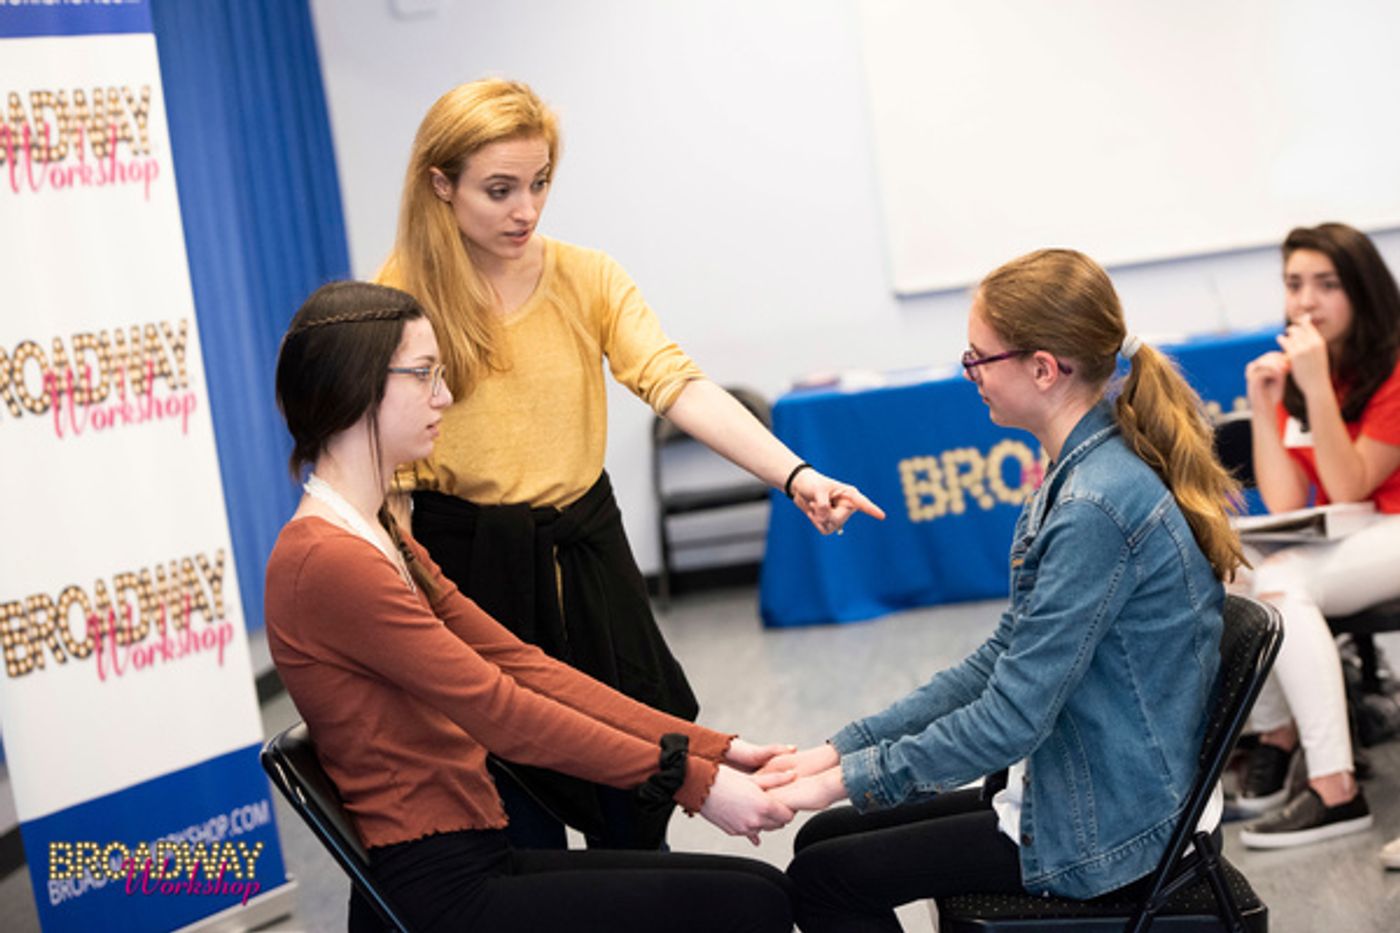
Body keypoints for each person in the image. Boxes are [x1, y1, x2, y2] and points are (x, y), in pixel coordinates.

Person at [376, 77, 883, 851]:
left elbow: (676, 383)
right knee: (511, 800)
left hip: (585, 552)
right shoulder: (399, 300)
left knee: (635, 779)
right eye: (500, 189)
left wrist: (795, 474)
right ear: (440, 185)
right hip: (469, 563)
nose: (527, 210)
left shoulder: (586, 276)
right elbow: (395, 483)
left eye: (540, 183)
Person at [264, 280, 799, 933]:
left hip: (476, 857)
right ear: (358, 385)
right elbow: (500, 708)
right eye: (425, 374)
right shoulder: (327, 559)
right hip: (440, 890)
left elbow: (522, 665)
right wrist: (691, 779)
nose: (446, 396)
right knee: (751, 901)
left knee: (756, 890)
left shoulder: (378, 532)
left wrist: (713, 748)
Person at [759, 248, 1244, 930]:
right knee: (823, 838)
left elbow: (1011, 719)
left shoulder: (1095, 505)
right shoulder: (1084, 470)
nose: (971, 375)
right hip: (1105, 780)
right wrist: (841, 750)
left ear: (1043, 368)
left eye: (978, 359)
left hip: (1117, 823)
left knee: (823, 877)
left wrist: (844, 778)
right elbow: (1002, 660)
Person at [1230, 223, 1400, 851]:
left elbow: (1351, 483)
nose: (1305, 301)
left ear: (1361, 292)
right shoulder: (1304, 370)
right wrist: (1263, 401)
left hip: (1390, 525)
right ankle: (1276, 736)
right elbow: (1281, 501)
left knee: (1279, 581)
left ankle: (1335, 790)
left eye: (1326, 285)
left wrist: (1317, 385)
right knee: (1228, 562)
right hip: (1355, 534)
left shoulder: (1391, 366)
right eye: (1294, 284)